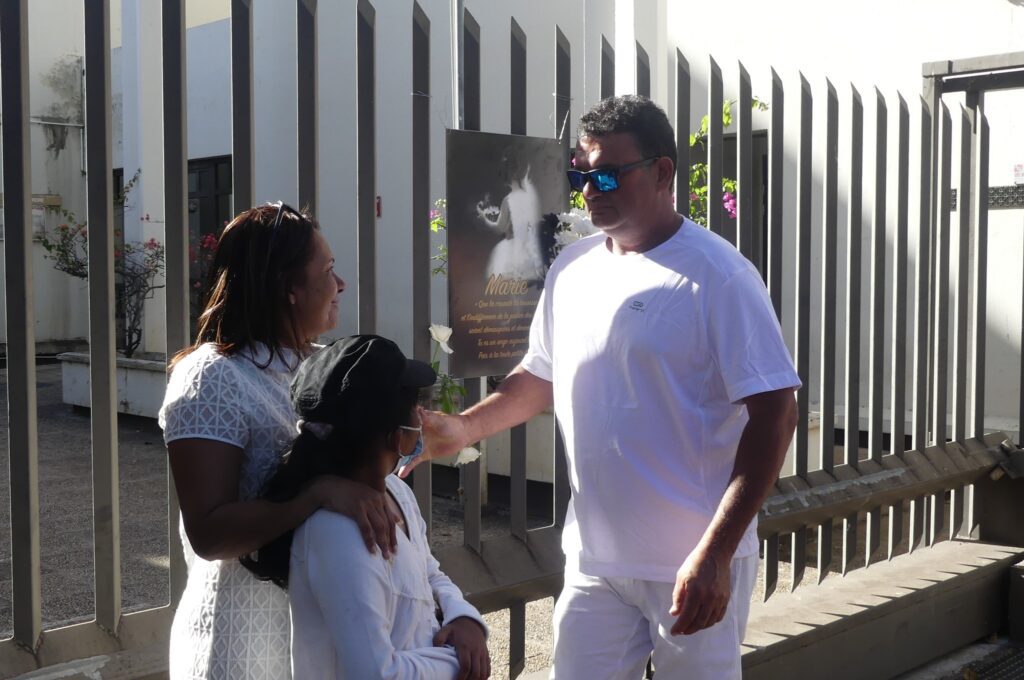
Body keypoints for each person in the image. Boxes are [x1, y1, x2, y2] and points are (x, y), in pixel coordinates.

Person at [405, 95, 800, 679]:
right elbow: (540, 375)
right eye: (580, 174)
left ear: (663, 172)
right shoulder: (573, 267)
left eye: (608, 174)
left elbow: (776, 413)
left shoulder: (721, 276)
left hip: (691, 562)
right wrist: (463, 428)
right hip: (595, 560)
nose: (589, 189)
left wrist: (716, 552)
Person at [159, 203, 398, 680]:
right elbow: (209, 533)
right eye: (328, 270)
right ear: (289, 288)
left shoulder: (322, 365)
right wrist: (317, 494)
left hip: (319, 643)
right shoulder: (212, 378)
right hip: (242, 646)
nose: (341, 284)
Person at [242, 335, 490, 680]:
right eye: (416, 408)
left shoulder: (398, 493)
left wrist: (463, 618)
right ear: (395, 435)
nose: (423, 415)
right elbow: (376, 672)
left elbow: (428, 571)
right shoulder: (337, 532)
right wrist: (455, 658)